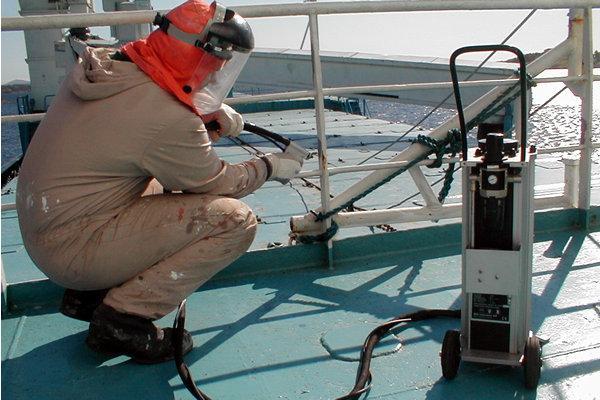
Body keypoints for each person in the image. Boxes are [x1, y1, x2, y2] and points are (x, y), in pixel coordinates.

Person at [15, 0, 304, 364]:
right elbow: (216, 182)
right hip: (72, 250)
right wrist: (269, 166)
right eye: (218, 62)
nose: (218, 71)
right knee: (234, 220)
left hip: (47, 227)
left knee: (158, 183)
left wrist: (205, 113)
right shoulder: (165, 117)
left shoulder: (111, 66)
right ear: (200, 54)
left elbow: (142, 128)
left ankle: (87, 296)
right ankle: (123, 319)